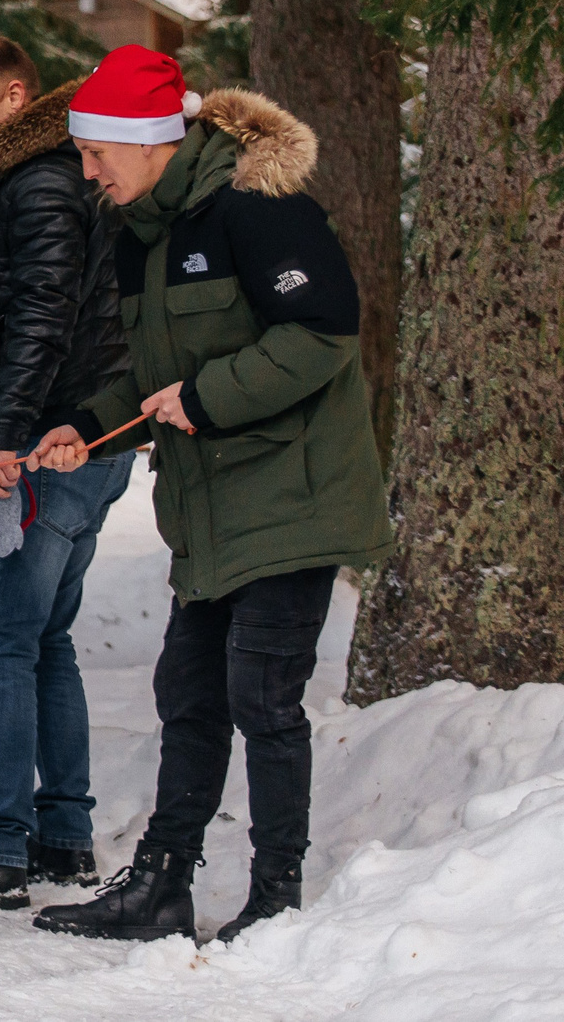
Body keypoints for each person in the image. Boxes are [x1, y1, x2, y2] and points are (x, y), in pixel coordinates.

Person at [28, 47, 391, 945]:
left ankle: (276, 898)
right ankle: (160, 884)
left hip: (291, 494)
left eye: (96, 150)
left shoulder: (255, 209)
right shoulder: (143, 234)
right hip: (210, 511)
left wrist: (205, 399)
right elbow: (161, 376)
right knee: (188, 692)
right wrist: (88, 422)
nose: (88, 170)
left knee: (262, 694)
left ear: (150, 141)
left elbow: (324, 332)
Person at [0, 37, 129, 909]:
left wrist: (1, 436)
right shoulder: (49, 170)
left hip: (51, 442)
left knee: (0, 640)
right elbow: (48, 305)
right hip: (82, 432)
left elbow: (46, 312)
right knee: (46, 641)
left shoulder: (38, 176)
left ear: (12, 96)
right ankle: (65, 833)